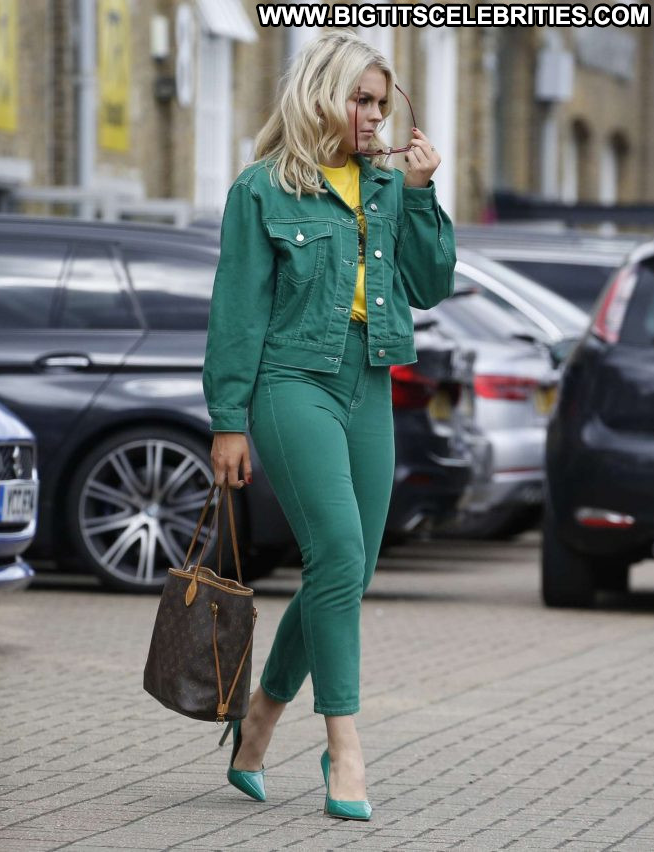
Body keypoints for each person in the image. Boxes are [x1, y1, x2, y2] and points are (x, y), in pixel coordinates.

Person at [202, 30, 456, 820]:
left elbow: (430, 286)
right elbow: (236, 312)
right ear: (322, 97)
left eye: (381, 102)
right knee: (339, 552)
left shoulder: (388, 187)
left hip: (369, 382)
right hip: (292, 381)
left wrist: (421, 192)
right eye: (361, 99)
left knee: (348, 570)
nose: (375, 115)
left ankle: (259, 718)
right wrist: (227, 420)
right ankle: (344, 748)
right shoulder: (262, 190)